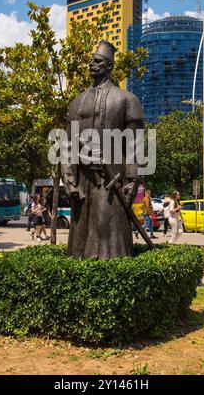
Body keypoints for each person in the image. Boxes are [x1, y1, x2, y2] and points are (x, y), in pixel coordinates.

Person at [62, 40, 144, 259]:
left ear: (109, 66)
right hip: (82, 180)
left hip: (111, 179)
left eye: (97, 61)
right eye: (91, 60)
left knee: (110, 237)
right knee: (80, 243)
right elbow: (67, 144)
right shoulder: (77, 102)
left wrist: (132, 179)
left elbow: (134, 145)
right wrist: (69, 180)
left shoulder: (127, 100)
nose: (91, 64)